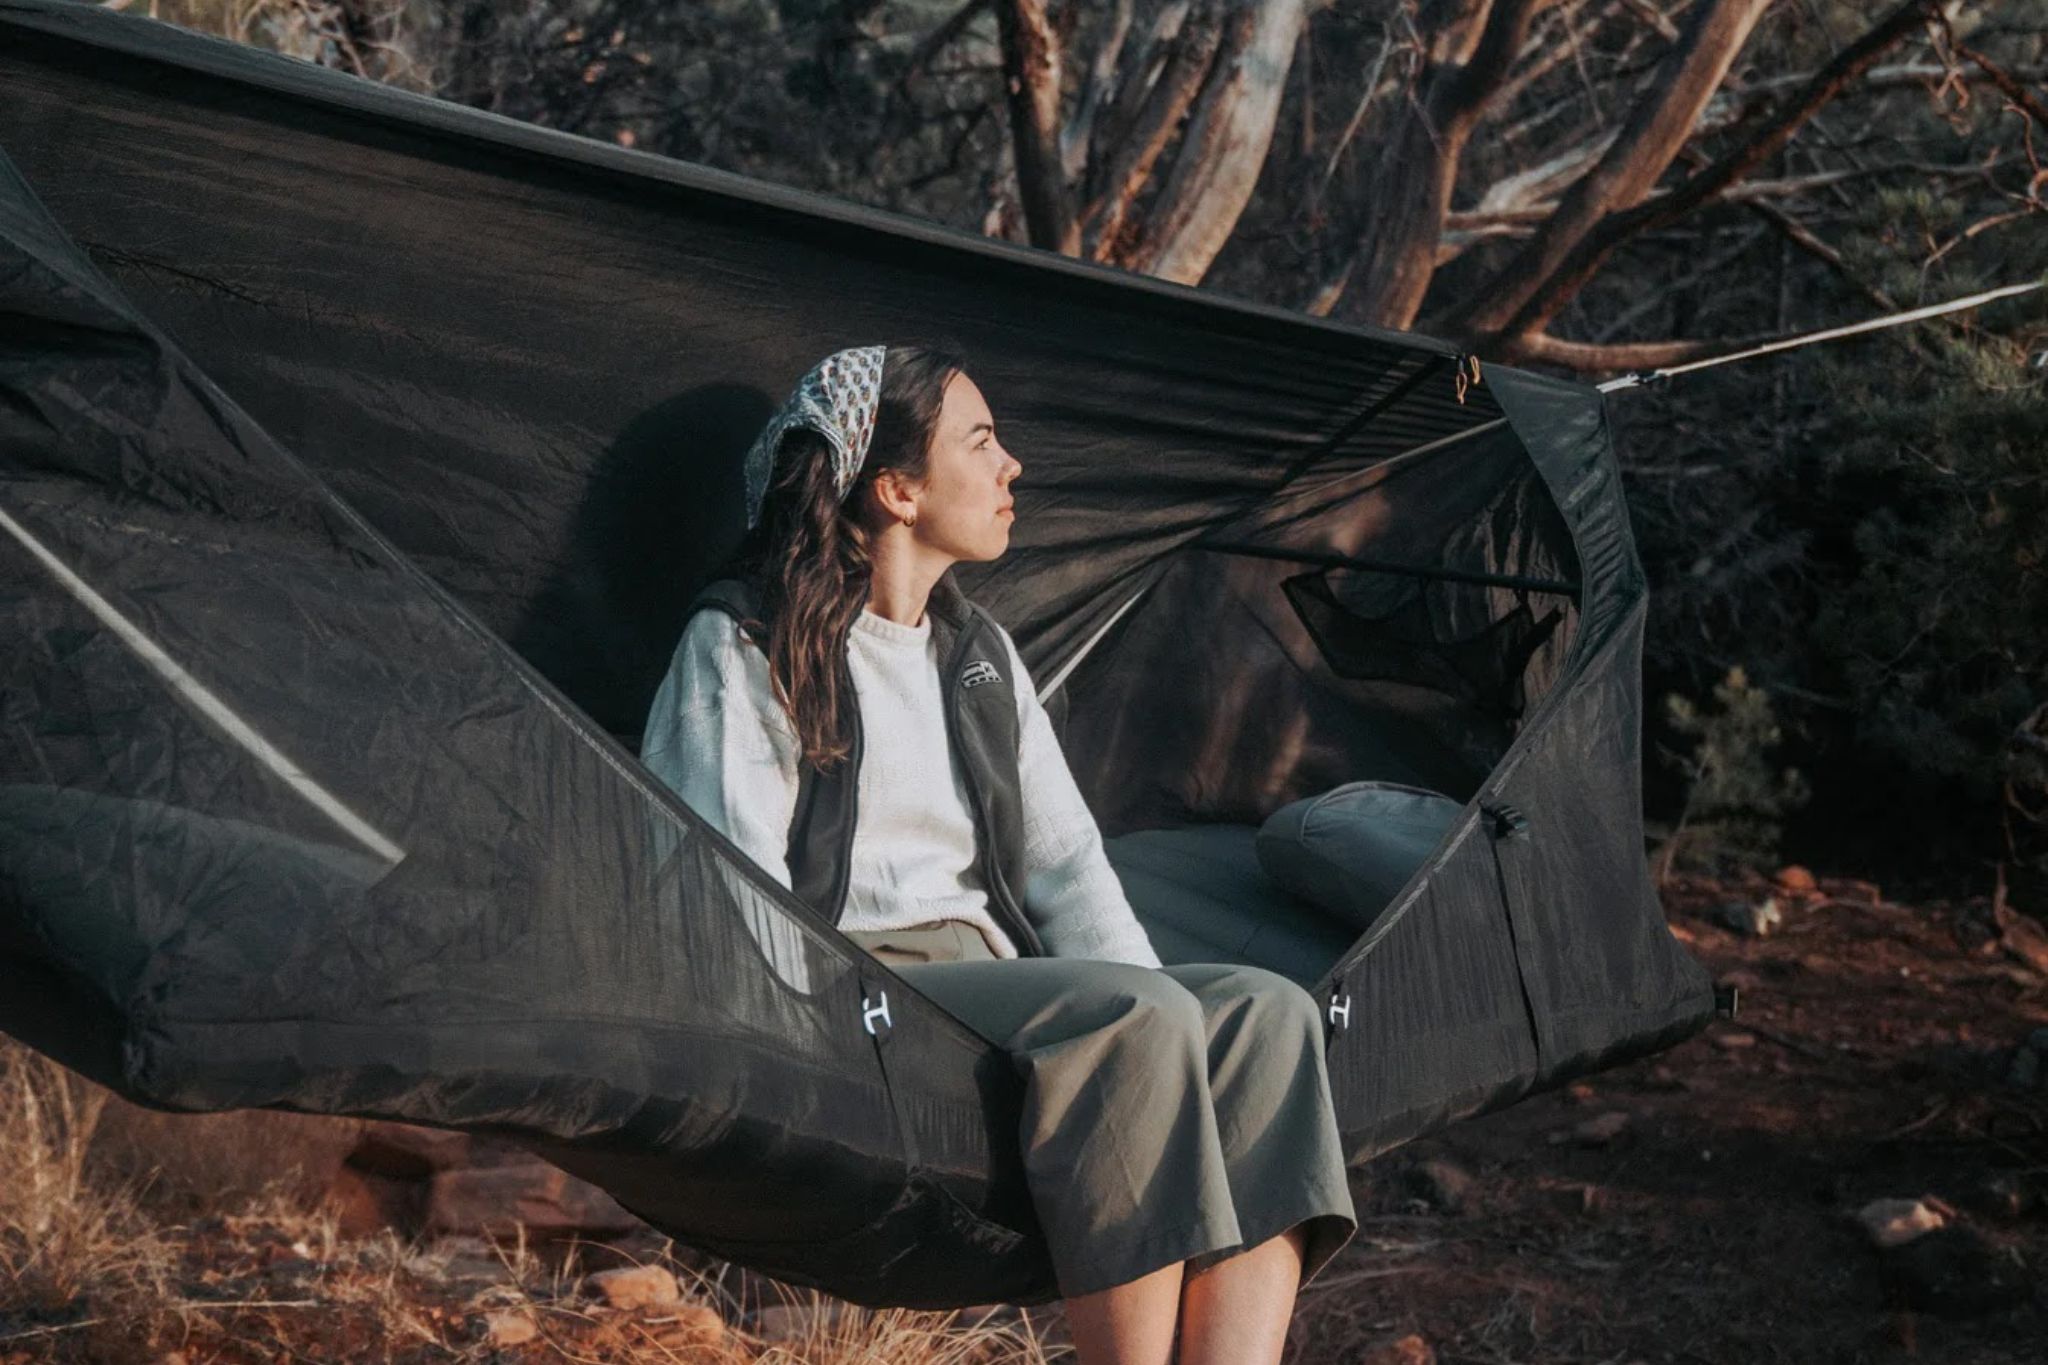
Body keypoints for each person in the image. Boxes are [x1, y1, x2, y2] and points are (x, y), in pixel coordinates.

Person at [640, 343, 1356, 1365]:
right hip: (860, 995)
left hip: (998, 985)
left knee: (1262, 1014)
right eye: (980, 441)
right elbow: (722, 876)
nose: (1011, 466)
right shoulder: (748, 642)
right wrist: (794, 1064)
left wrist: (1177, 1048)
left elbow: (1067, 870)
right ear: (895, 489)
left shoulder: (977, 656)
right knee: (1140, 1018)